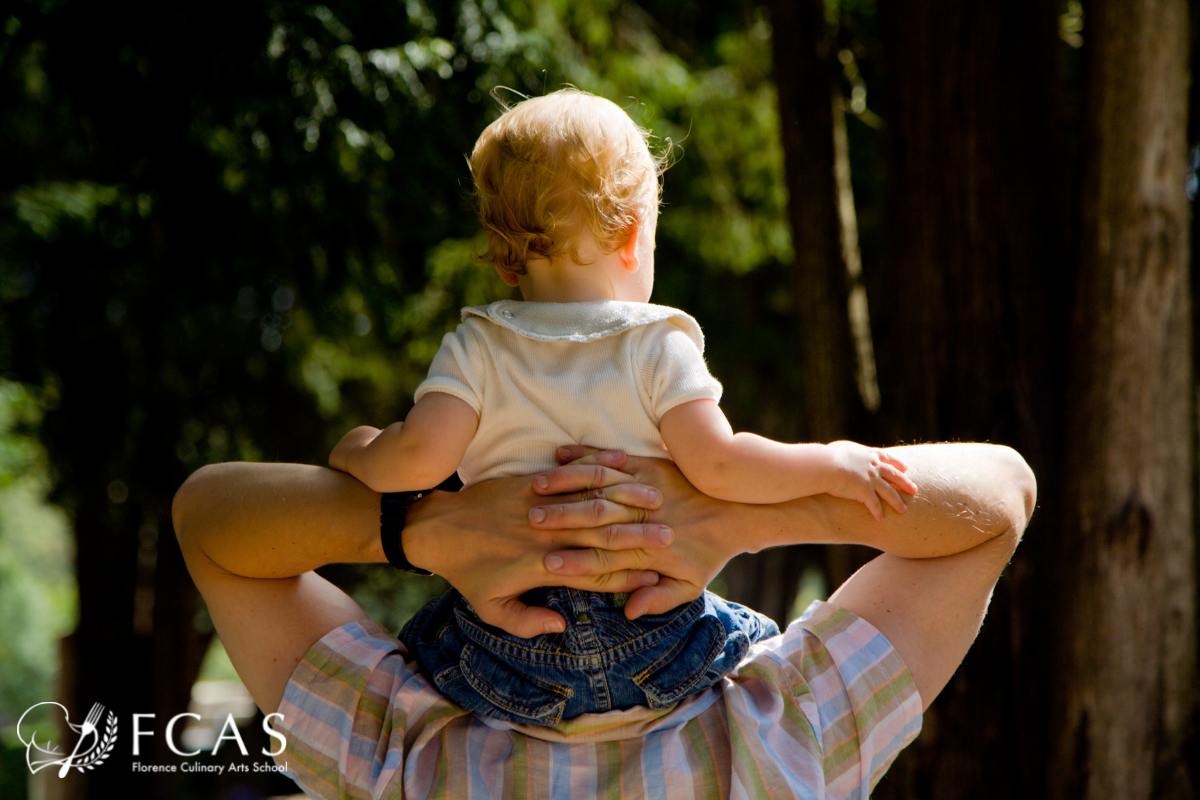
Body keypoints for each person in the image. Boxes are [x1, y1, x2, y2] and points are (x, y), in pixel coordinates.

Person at [325, 89, 918, 725]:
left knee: (429, 636)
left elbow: (415, 461)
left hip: (506, 652)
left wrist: (356, 447)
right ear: (636, 236)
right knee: (759, 636)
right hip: (654, 636)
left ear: (502, 259)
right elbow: (722, 466)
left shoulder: (479, 347)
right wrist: (833, 462)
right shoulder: (656, 343)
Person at [173, 441, 1035, 799]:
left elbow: (210, 519)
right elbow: (997, 493)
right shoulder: (781, 746)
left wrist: (417, 526)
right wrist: (739, 512)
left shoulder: (406, 763)